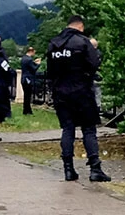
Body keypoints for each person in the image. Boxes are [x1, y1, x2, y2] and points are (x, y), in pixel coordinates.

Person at [47, 15, 110, 182]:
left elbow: (50, 71)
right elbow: (94, 63)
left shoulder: (53, 44)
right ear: (80, 26)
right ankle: (95, 169)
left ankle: (68, 169)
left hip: (61, 92)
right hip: (82, 91)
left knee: (67, 129)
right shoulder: (83, 42)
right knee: (88, 129)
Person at [20, 46, 41, 116]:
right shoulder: (29, 59)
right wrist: (38, 64)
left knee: (26, 95)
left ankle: (27, 110)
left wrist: (34, 62)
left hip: (23, 79)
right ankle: (27, 111)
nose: (34, 54)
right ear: (31, 51)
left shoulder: (23, 58)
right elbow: (33, 69)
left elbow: (28, 66)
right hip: (28, 80)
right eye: (34, 52)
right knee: (28, 96)